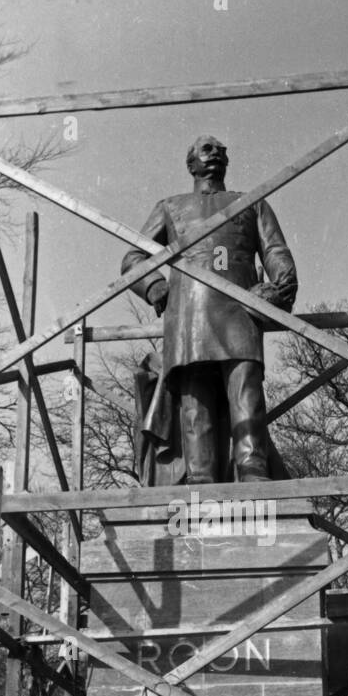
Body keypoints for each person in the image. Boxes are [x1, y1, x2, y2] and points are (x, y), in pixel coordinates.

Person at [121, 134, 298, 484]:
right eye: (206, 150)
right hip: (189, 318)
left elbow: (276, 252)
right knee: (194, 404)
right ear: (191, 164)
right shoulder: (170, 206)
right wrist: (156, 287)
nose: (215, 154)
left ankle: (252, 472)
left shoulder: (251, 203)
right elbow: (133, 258)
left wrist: (280, 288)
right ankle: (200, 479)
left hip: (240, 312)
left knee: (246, 394)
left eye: (221, 150)